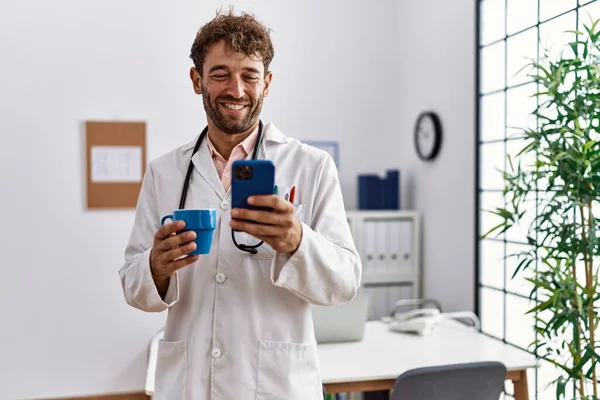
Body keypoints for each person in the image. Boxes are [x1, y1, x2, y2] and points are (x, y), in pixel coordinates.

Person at [119, 8, 362, 400]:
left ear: (266, 83)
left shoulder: (311, 167)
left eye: (249, 75)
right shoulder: (165, 172)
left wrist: (298, 240)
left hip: (275, 386)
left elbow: (345, 283)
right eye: (220, 74)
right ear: (197, 80)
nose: (236, 89)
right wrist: (155, 266)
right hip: (189, 385)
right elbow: (132, 283)